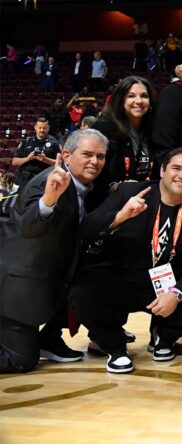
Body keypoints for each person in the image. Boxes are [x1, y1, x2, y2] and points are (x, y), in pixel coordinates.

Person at [70, 149, 182, 372]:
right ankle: (115, 348)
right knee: (82, 291)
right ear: (163, 170)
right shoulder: (131, 191)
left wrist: (176, 293)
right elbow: (86, 228)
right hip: (122, 279)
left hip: (164, 286)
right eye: (176, 168)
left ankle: (163, 337)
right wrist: (120, 217)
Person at [0, 129, 107, 373]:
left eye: (100, 156)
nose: (95, 161)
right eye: (88, 154)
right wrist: (48, 200)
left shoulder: (83, 187)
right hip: (12, 291)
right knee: (21, 360)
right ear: (66, 156)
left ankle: (50, 339)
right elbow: (29, 225)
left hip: (38, 283)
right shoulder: (49, 181)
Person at [89, 76, 157, 210]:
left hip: (144, 202)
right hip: (108, 204)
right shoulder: (104, 127)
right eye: (131, 96)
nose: (138, 101)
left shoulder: (154, 129)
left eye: (144, 96)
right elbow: (94, 172)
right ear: (121, 100)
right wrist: (118, 186)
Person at [11, 117, 60, 187]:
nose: (42, 130)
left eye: (44, 128)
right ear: (35, 128)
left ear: (48, 128)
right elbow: (14, 162)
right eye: (40, 128)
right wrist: (28, 158)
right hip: (25, 179)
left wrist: (45, 159)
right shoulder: (27, 141)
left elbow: (59, 163)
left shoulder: (54, 143)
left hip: (44, 179)